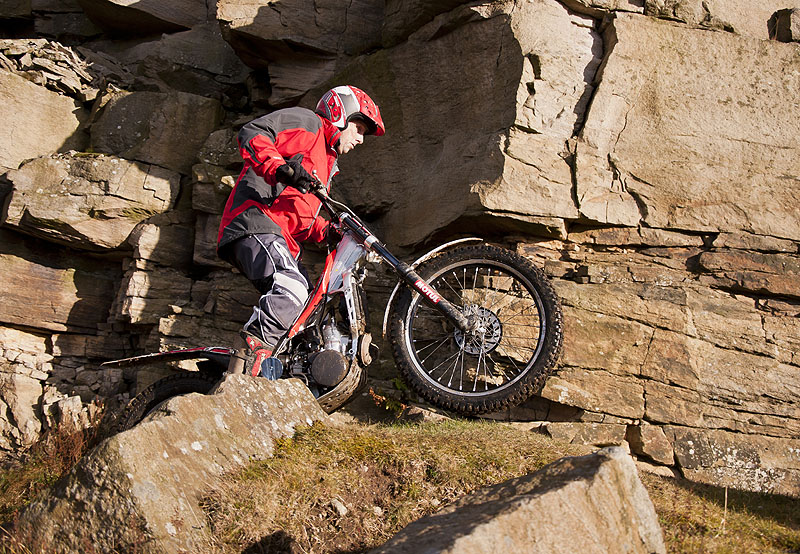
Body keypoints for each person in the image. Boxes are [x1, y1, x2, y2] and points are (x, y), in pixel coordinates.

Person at [217, 85, 385, 377]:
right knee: (291, 288)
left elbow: (299, 217)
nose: (360, 139)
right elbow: (253, 132)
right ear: (340, 114)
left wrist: (327, 232)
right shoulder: (308, 124)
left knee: (306, 310)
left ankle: (278, 374)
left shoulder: (326, 164)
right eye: (359, 128)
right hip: (255, 221)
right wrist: (278, 167)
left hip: (277, 235)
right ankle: (245, 359)